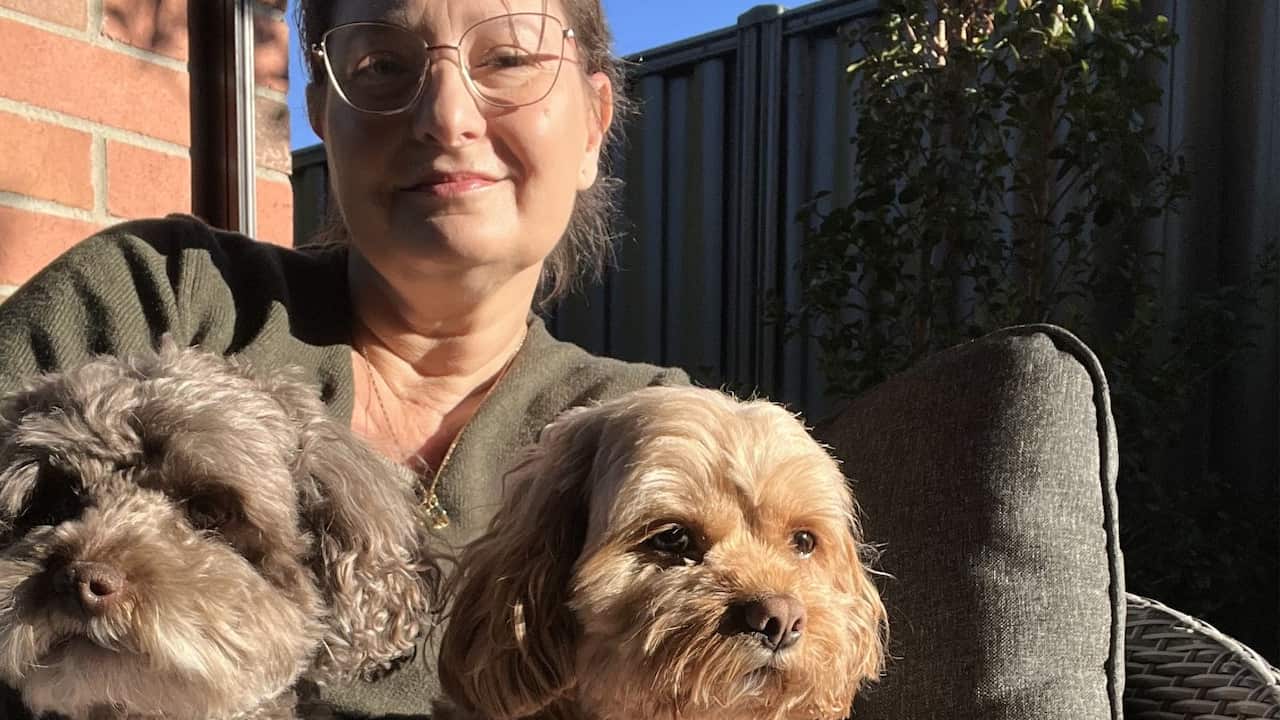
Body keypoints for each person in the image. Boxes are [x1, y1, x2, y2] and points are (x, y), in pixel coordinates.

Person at [0, 0, 688, 716]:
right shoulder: (160, 295)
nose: (446, 116)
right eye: (382, 65)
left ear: (594, 123)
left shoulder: (663, 446)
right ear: (323, 116)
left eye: (509, 59)